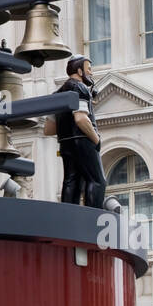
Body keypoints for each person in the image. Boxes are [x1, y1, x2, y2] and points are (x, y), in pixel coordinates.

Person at [43, 54, 107, 208]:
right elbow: (80, 118)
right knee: (97, 180)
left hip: (65, 144)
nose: (91, 73)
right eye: (89, 69)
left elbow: (48, 129)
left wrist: (66, 125)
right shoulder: (80, 88)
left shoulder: (57, 94)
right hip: (83, 140)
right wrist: (96, 139)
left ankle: (68, 216)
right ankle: (94, 217)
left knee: (72, 181)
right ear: (79, 71)